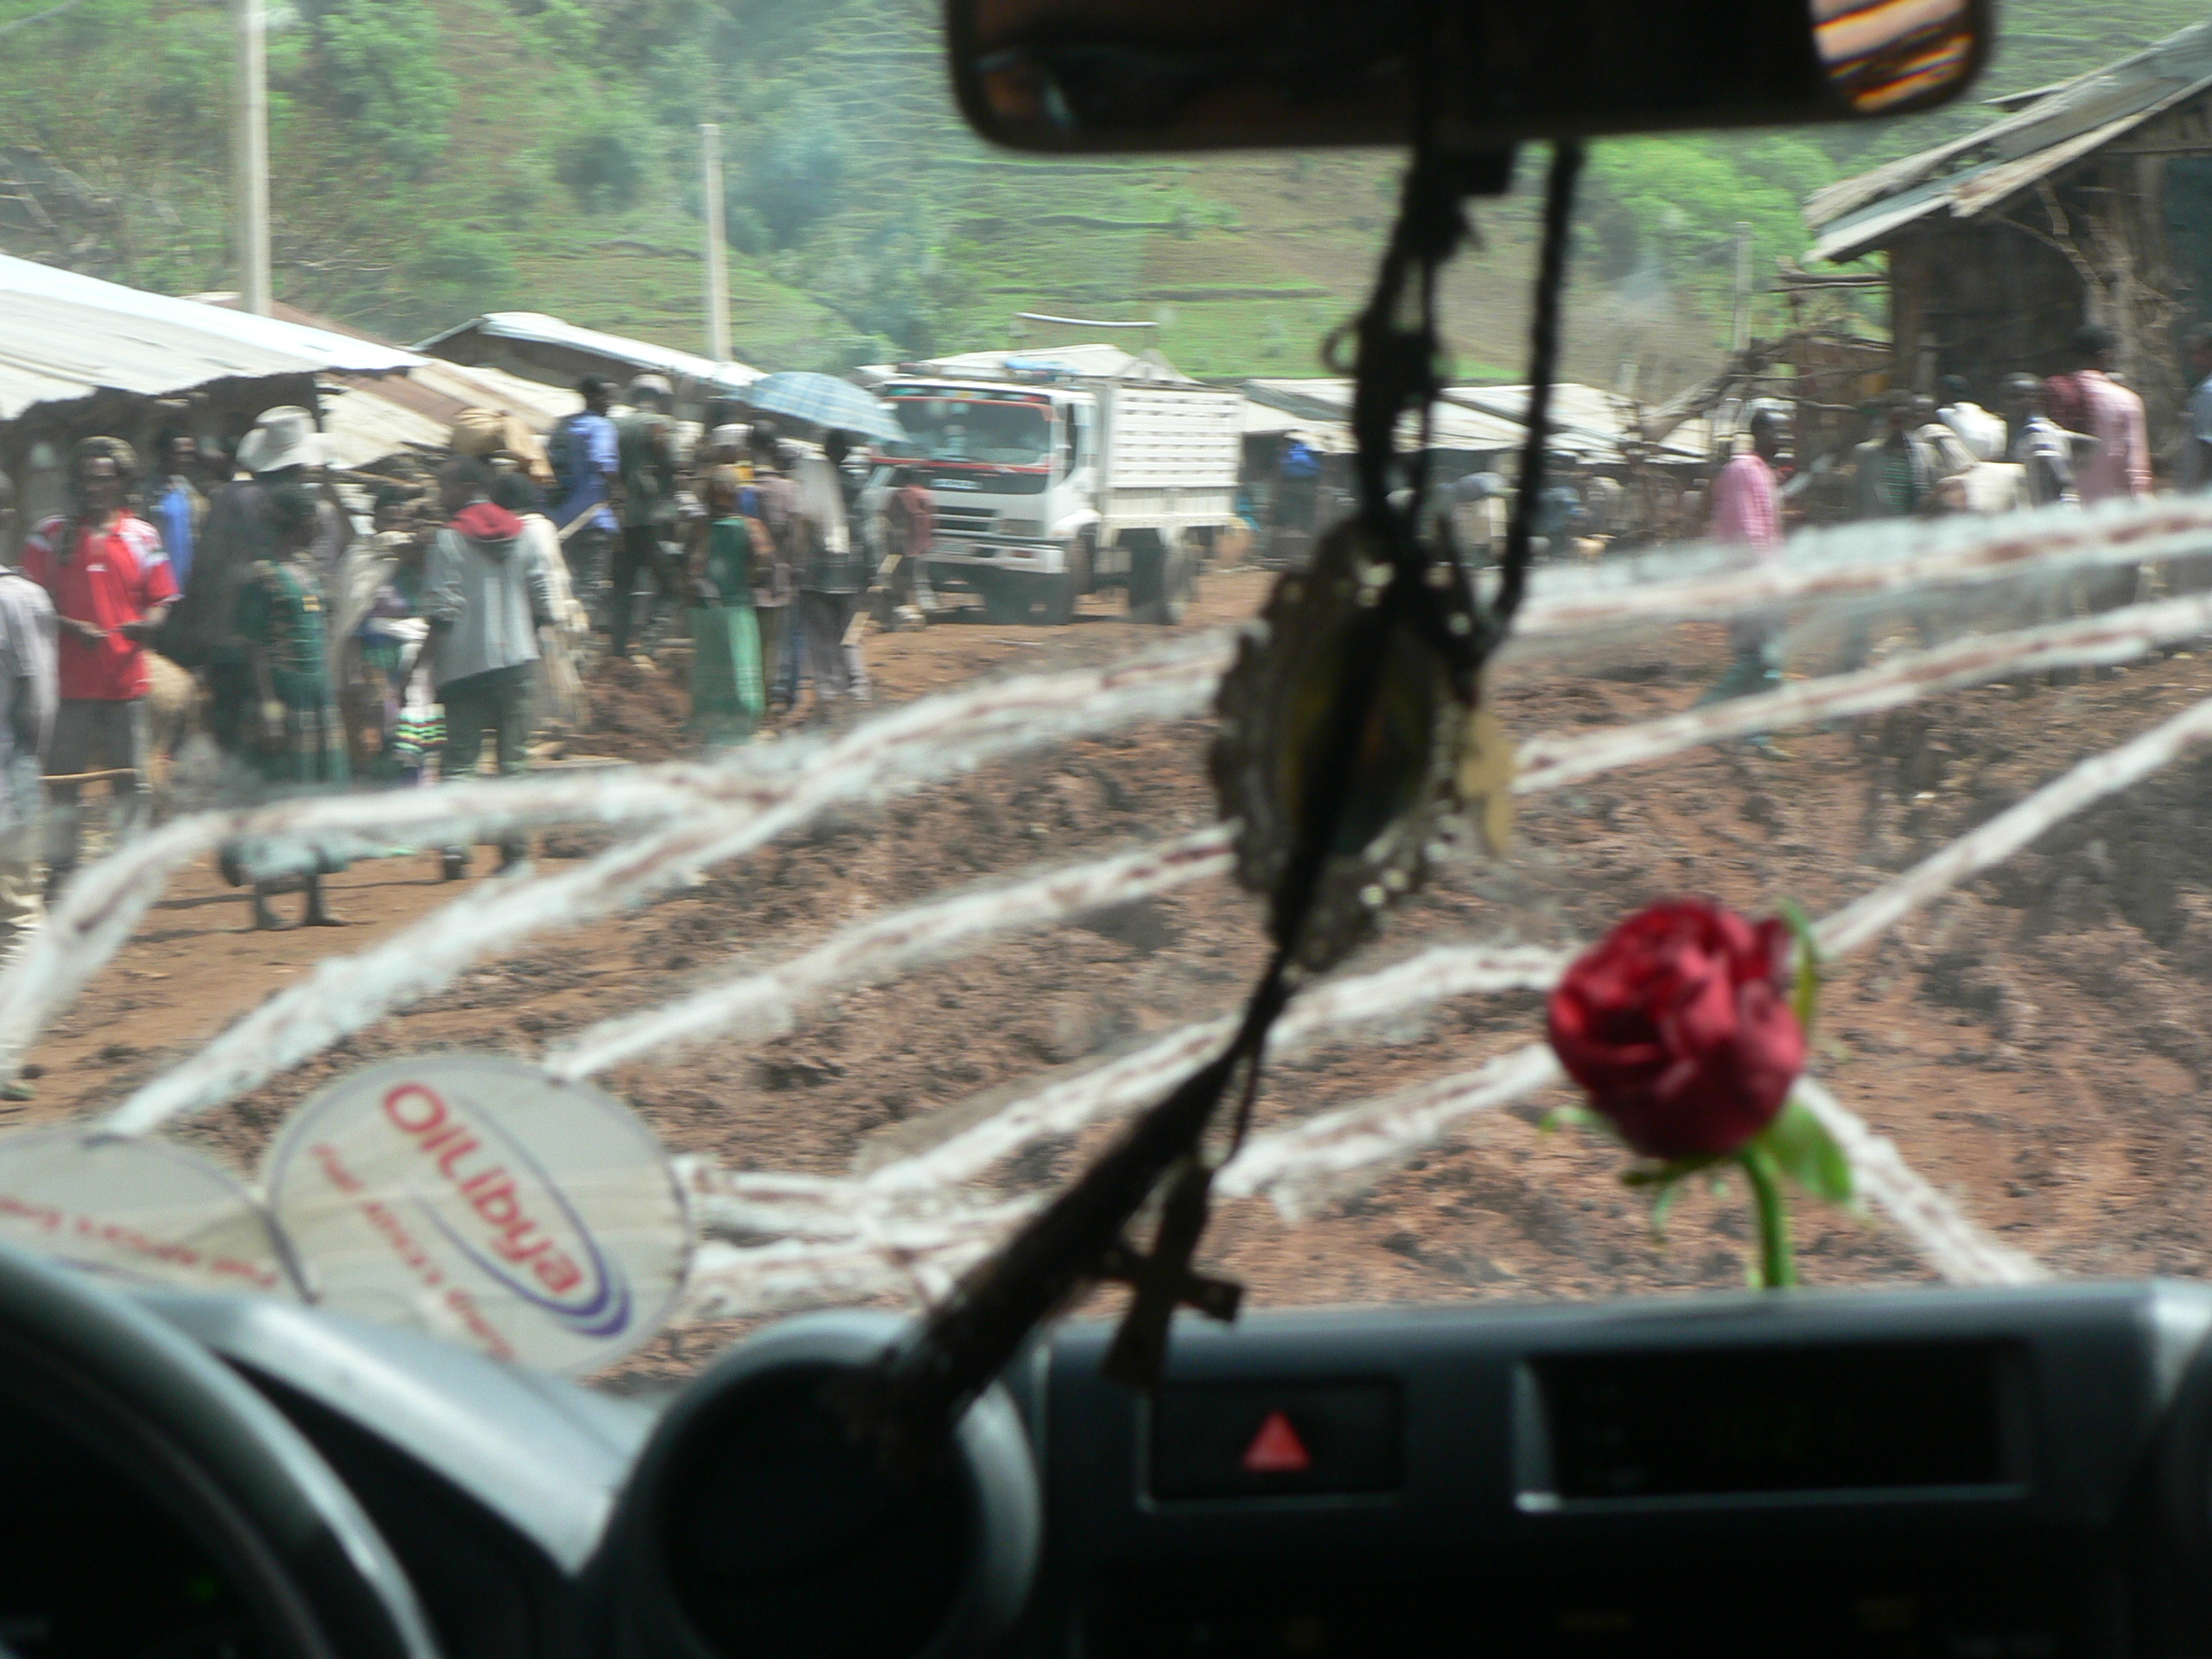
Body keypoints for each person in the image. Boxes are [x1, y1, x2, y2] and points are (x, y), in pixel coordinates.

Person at [22, 438, 177, 897]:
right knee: (64, 783)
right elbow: (31, 601)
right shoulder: (49, 535)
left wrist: (147, 626)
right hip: (66, 685)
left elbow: (161, 600)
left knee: (132, 782)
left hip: (126, 682)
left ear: (121, 483)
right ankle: (61, 872)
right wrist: (71, 627)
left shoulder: (143, 536)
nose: (93, 486)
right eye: (86, 478)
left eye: (103, 478)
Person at [165, 405, 324, 753]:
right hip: (271, 654)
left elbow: (203, 572)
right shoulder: (285, 507)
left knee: (232, 741)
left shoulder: (228, 497)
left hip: (221, 644)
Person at [227, 482, 349, 930]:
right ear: (298, 522)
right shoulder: (262, 577)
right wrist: (268, 707)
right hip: (281, 698)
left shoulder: (308, 573)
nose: (321, 525)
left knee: (315, 794)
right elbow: (254, 648)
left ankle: (316, 902)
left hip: (316, 697)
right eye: (316, 517)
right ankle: (262, 905)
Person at [423, 457, 552, 878]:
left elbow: (442, 610)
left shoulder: (448, 539)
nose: (439, 496)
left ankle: (455, 846)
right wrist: (527, 637)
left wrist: (423, 664)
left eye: (444, 487)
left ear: (466, 487)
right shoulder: (524, 533)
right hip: (518, 664)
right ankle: (515, 853)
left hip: (463, 667)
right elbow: (543, 598)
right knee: (514, 763)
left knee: (461, 761)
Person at [0, 471, 55, 1003]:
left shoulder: (16, 599)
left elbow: (36, 709)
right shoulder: (20, 600)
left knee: (14, 913)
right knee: (17, 917)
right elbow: (38, 705)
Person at [492, 470, 591, 734]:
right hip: (555, 608)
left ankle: (548, 727)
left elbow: (540, 576)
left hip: (537, 613)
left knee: (545, 675)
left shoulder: (520, 529)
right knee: (560, 670)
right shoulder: (542, 526)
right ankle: (564, 724)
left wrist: (546, 613)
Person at [1699, 410, 1788, 705]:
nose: (1781, 439)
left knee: (1768, 660)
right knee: (1756, 659)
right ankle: (1706, 710)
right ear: (1758, 433)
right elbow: (1747, 532)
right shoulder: (1743, 471)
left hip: (1765, 581)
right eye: (1775, 432)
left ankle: (1757, 727)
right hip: (1750, 581)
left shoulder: (1764, 472)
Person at [686, 468, 766, 748]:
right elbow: (763, 562)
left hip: (705, 611)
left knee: (708, 666)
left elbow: (691, 568)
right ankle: (743, 723)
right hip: (737, 609)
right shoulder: (751, 527)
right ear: (735, 495)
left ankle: (709, 720)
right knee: (741, 667)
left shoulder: (700, 528)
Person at [610, 373, 682, 661]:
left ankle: (618, 649)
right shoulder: (663, 425)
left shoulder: (617, 425)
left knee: (623, 588)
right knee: (670, 587)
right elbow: (674, 463)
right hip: (655, 519)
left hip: (623, 520)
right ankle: (649, 644)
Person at [548, 374, 620, 628]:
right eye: (608, 397)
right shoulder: (601, 427)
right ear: (596, 398)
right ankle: (577, 639)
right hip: (592, 518)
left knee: (563, 586)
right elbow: (604, 463)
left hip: (560, 521)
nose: (611, 403)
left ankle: (560, 631)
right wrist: (619, 495)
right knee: (589, 588)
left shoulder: (562, 427)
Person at [2068, 324, 2150, 505]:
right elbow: (2134, 466)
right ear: (2104, 356)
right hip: (2111, 510)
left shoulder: (2056, 397)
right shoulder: (2125, 400)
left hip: (2063, 511)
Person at [1852, 391, 1939, 518]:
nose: (1898, 427)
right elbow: (1859, 496)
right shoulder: (1867, 454)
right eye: (1894, 421)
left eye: (1902, 421)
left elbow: (1930, 493)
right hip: (1877, 524)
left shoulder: (1925, 454)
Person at [144, 430, 207, 593]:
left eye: (190, 454)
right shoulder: (145, 492)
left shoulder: (190, 489)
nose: (186, 459)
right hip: (157, 581)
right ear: (164, 454)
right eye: (180, 454)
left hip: (189, 582)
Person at [2003, 373, 2077, 508]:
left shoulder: (2039, 434)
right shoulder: (2020, 431)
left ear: (2036, 399)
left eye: (2018, 397)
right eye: (2007, 397)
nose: (2011, 403)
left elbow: (2051, 483)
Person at [1937, 374, 2007, 462]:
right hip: (1992, 465)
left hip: (1962, 466)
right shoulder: (1993, 418)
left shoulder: (1943, 414)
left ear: (1942, 392)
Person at [2181, 326, 2212, 493]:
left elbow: (2207, 450)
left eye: (2197, 353)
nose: (2193, 360)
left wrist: (2195, 498)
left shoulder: (2208, 392)